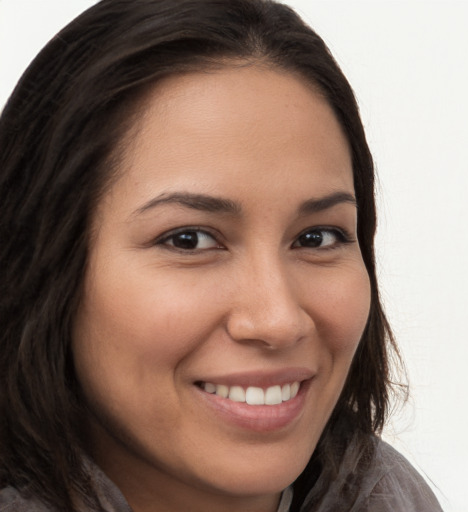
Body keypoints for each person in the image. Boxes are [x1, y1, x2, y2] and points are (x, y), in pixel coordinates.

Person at [0, 1, 443, 511]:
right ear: (42, 267)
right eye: (189, 240)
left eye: (317, 237)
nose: (278, 321)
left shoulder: (391, 498)